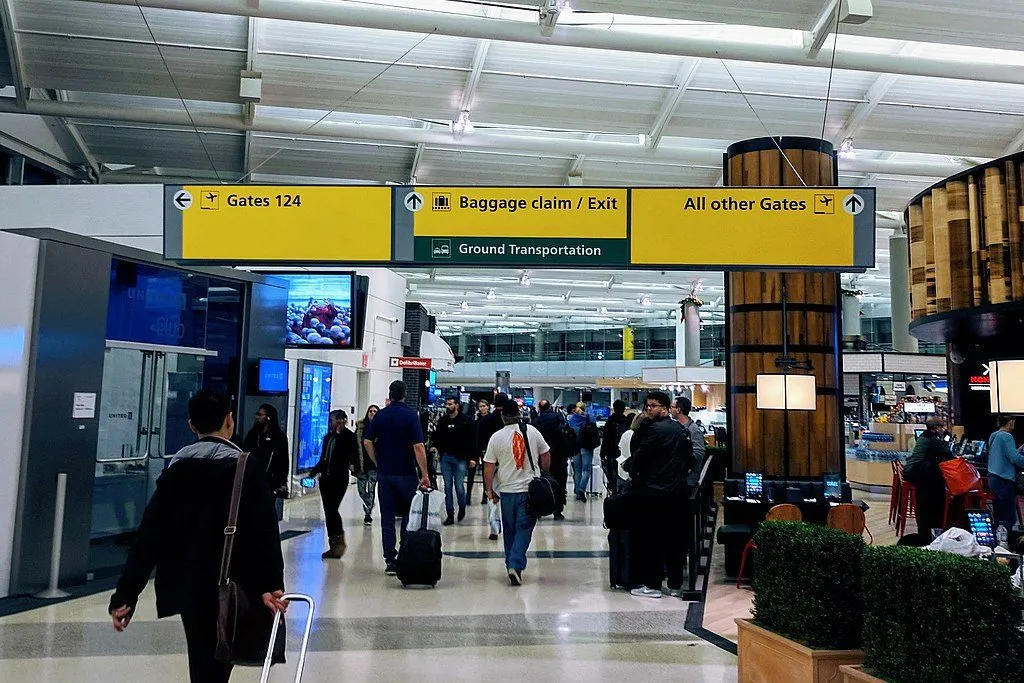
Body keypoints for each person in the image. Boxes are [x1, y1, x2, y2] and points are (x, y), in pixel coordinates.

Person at [109, 390, 286, 683]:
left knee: (203, 655)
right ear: (229, 421)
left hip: (187, 583)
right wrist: (270, 585)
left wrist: (126, 594)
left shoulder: (176, 470)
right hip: (233, 580)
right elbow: (264, 531)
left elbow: (149, 536)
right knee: (218, 660)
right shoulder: (245, 467)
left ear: (192, 425)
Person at [625, 391, 693, 599]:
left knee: (651, 541)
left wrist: (630, 467)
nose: (649, 410)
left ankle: (652, 585)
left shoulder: (653, 430)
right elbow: (689, 459)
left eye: (653, 406)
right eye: (648, 406)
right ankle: (674, 584)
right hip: (677, 493)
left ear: (664, 407)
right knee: (674, 541)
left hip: (653, 494)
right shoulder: (680, 430)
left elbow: (637, 459)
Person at [363, 381, 431, 576]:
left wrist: (377, 460)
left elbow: (367, 441)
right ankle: (404, 552)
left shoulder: (380, 415)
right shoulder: (411, 416)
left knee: (387, 518)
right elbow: (418, 446)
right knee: (408, 517)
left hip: (385, 474)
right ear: (404, 394)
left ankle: (389, 560)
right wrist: (424, 474)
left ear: (389, 394)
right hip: (406, 474)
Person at [483, 399, 551, 586]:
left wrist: (489, 490)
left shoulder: (496, 437)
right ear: (519, 415)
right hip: (529, 490)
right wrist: (543, 473)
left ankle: (510, 565)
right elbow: (546, 454)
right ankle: (515, 564)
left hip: (506, 491)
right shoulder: (532, 432)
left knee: (510, 530)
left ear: (503, 417)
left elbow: (488, 467)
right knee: (525, 527)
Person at [311, 410, 358, 559]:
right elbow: (324, 458)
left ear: (342, 421)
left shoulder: (349, 437)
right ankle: (333, 544)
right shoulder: (328, 437)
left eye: (335, 420)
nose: (332, 423)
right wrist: (314, 472)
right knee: (328, 511)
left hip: (339, 478)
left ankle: (339, 542)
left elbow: (348, 453)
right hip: (326, 478)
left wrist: (339, 433)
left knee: (332, 509)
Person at [904, 416, 954, 536]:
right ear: (936, 428)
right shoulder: (931, 438)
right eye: (942, 427)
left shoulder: (924, 436)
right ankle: (940, 525)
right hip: (919, 474)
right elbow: (948, 452)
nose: (943, 429)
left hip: (912, 471)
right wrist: (944, 439)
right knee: (937, 493)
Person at [242, 403, 290, 520]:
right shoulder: (253, 434)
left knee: (266, 512)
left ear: (268, 417)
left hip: (270, 481)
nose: (256, 417)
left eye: (260, 415)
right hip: (252, 478)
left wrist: (282, 482)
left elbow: (284, 461)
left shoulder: (279, 437)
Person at [433, 397, 475, 525]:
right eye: (447, 404)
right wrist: (435, 446)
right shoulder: (443, 421)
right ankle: (449, 513)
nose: (447, 406)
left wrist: (472, 457)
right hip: (446, 457)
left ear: (457, 405)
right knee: (447, 487)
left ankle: (462, 506)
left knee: (459, 486)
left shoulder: (466, 421)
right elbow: (437, 436)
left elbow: (471, 440)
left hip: (460, 458)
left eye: (450, 404)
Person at [532, 399, 571, 520]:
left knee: (540, 482)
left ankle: (539, 509)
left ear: (539, 408)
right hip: (559, 456)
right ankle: (558, 510)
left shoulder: (536, 421)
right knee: (560, 483)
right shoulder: (559, 418)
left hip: (541, 456)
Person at [987, 416, 1024, 531]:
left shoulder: (994, 435)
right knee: (1009, 518)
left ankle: (997, 542)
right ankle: (1005, 543)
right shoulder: (1007, 436)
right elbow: (1015, 459)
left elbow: (1002, 454)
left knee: (999, 515)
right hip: (1004, 479)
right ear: (1011, 422)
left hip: (993, 478)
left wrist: (1016, 451)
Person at [476, 394, 509, 504]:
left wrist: (477, 452)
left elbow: (480, 438)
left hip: (489, 451)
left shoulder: (486, 419)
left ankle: (488, 493)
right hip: (506, 452)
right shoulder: (508, 419)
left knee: (489, 471)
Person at [353, 405, 380, 526]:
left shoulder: (381, 429)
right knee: (361, 490)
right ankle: (368, 503)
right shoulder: (360, 429)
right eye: (370, 411)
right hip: (361, 463)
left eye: (375, 411)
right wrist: (352, 462)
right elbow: (353, 446)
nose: (372, 413)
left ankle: (367, 513)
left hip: (374, 465)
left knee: (371, 489)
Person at [671, 396, 707, 487]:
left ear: (678, 410)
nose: (669, 410)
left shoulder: (693, 430)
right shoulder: (675, 427)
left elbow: (698, 454)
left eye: (672, 407)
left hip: (689, 477)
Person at [599, 400, 632, 494]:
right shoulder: (626, 422)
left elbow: (605, 439)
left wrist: (602, 453)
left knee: (611, 473)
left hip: (610, 452)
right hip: (622, 453)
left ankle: (614, 492)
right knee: (622, 474)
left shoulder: (610, 422)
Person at [615, 412, 648, 494]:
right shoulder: (644, 436)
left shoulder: (626, 434)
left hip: (623, 470)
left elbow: (620, 448)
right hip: (636, 473)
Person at [568, 402, 594, 501]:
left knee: (577, 471)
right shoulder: (589, 418)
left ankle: (578, 490)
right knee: (586, 470)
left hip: (575, 447)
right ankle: (581, 490)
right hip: (586, 447)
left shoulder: (571, 419)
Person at [467, 399, 491, 504]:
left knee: (485, 473)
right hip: (475, 448)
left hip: (486, 447)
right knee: (471, 472)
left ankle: (485, 495)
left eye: (483, 406)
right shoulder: (476, 421)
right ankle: (468, 495)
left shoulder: (490, 420)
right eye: (480, 406)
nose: (482, 408)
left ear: (488, 407)